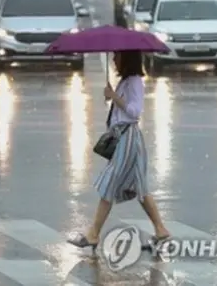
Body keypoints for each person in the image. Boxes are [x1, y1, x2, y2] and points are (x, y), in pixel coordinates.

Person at [68, 51, 171, 251]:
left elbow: (134, 111)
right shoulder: (125, 81)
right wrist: (113, 97)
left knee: (110, 182)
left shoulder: (134, 82)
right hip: (124, 136)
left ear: (127, 58)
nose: (114, 60)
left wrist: (114, 96)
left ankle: (93, 234)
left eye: (117, 57)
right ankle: (160, 229)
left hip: (128, 137)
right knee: (139, 186)